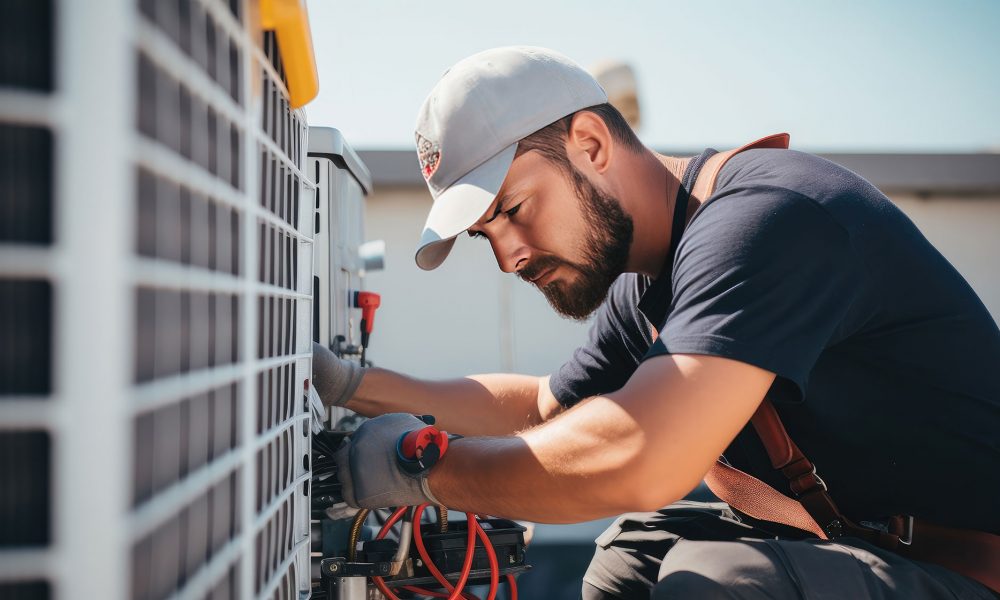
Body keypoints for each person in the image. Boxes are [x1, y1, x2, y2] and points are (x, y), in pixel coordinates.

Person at [312, 46, 1000, 598]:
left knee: (719, 581)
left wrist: (423, 472)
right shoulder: (651, 282)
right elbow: (542, 408)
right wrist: (350, 386)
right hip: (871, 549)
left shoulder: (769, 219)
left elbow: (641, 456)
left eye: (514, 210)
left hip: (970, 571)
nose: (508, 256)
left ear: (590, 143)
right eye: (483, 235)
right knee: (633, 555)